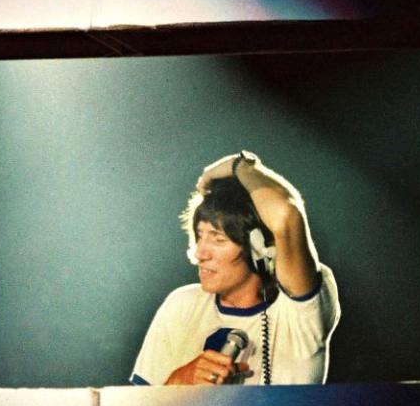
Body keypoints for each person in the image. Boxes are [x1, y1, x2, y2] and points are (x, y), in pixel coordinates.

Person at [130, 151, 340, 386]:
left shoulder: (300, 313)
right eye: (199, 236)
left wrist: (240, 165)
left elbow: (286, 216)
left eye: (218, 239)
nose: (200, 253)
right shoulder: (181, 304)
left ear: (258, 248)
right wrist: (180, 382)